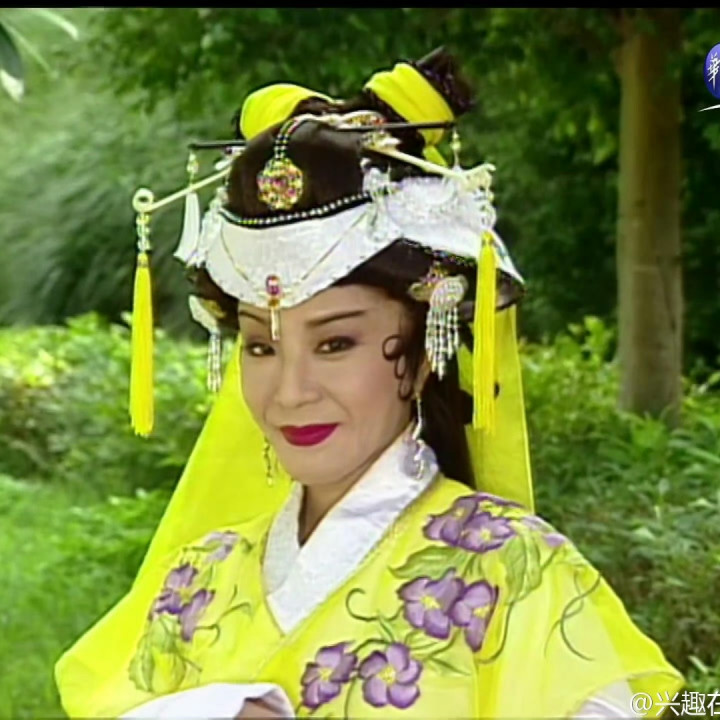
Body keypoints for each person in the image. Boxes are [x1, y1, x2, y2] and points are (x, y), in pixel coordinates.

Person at [54, 49, 683, 719]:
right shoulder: (197, 578)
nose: (289, 392)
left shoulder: (511, 567)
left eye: (335, 344)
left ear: (423, 353)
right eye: (261, 346)